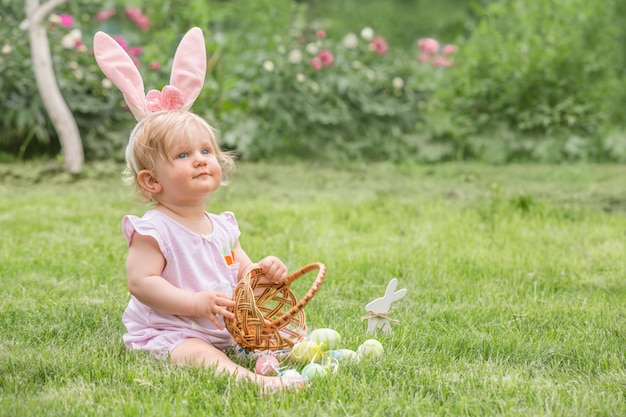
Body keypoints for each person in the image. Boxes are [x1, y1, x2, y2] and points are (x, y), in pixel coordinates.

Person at [93, 28, 304, 392]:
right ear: (151, 181)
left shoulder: (221, 226)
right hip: (171, 329)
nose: (201, 161)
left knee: (273, 331)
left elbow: (242, 272)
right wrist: (194, 303)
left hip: (222, 326)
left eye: (206, 151)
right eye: (183, 155)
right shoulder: (154, 230)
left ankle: (277, 354)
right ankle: (253, 381)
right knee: (195, 352)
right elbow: (141, 283)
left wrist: (263, 272)